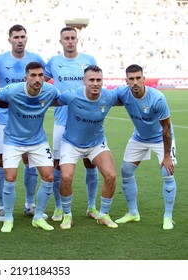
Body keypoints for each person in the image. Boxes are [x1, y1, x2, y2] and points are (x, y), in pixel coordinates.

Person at [0, 24, 47, 221]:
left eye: (22, 36)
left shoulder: (36, 59)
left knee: (30, 159)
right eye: (16, 37)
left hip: (28, 120)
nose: (20, 40)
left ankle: (30, 204)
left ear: (26, 38)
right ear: (9, 39)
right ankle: (2, 207)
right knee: (1, 161)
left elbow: (44, 84)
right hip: (4, 119)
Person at [0, 62, 58, 233]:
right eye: (33, 75)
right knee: (10, 177)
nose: (38, 79)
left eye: (41, 75)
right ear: (26, 78)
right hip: (13, 140)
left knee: (49, 177)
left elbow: (64, 98)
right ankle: (8, 218)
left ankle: (38, 217)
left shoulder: (50, 91)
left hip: (38, 140)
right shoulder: (12, 90)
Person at [44, 26, 99, 222]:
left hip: (87, 121)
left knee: (90, 162)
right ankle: (59, 208)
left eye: (72, 38)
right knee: (58, 165)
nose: (69, 41)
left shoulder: (88, 60)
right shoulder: (53, 62)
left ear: (77, 39)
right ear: (60, 41)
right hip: (61, 121)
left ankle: (92, 206)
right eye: (66, 38)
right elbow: (39, 81)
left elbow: (96, 84)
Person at [113, 64, 177, 230]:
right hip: (139, 137)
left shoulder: (157, 98)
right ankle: (133, 213)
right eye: (131, 79)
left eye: (138, 78)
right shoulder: (122, 93)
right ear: (126, 81)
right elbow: (105, 98)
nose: (135, 82)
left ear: (144, 79)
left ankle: (168, 217)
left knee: (167, 172)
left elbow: (166, 129)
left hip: (161, 138)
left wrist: (167, 156)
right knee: (126, 171)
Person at [56, 65, 119, 230]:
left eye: (99, 80)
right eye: (91, 80)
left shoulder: (109, 96)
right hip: (71, 143)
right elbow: (50, 99)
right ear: (84, 81)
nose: (95, 83)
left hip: (96, 143)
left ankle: (103, 214)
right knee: (66, 177)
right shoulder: (72, 95)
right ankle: (67, 215)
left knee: (111, 175)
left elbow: (129, 94)